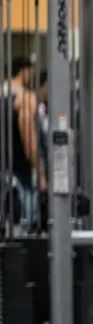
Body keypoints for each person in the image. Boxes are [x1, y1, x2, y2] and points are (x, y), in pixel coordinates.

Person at [1, 57, 46, 226]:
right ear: (23, 72)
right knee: (25, 229)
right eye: (31, 72)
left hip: (5, 175)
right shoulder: (25, 98)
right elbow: (29, 139)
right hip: (21, 178)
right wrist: (40, 174)